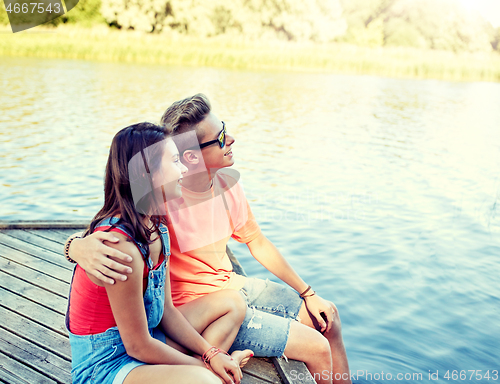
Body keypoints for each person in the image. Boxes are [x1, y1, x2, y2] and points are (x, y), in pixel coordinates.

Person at [66, 96, 351, 384]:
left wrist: (308, 293)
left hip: (218, 295)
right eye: (221, 137)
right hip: (146, 334)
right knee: (315, 347)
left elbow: (256, 241)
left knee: (327, 318)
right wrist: (76, 246)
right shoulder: (156, 214)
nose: (232, 140)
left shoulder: (163, 219)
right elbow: (112, 227)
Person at [65, 122, 252, 384]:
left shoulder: (156, 225)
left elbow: (166, 311)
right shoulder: (121, 248)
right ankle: (207, 373)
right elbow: (138, 347)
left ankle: (206, 369)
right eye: (175, 160)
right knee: (205, 380)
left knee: (232, 302)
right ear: (148, 173)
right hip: (106, 365)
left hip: (148, 338)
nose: (184, 168)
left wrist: (211, 354)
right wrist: (205, 366)